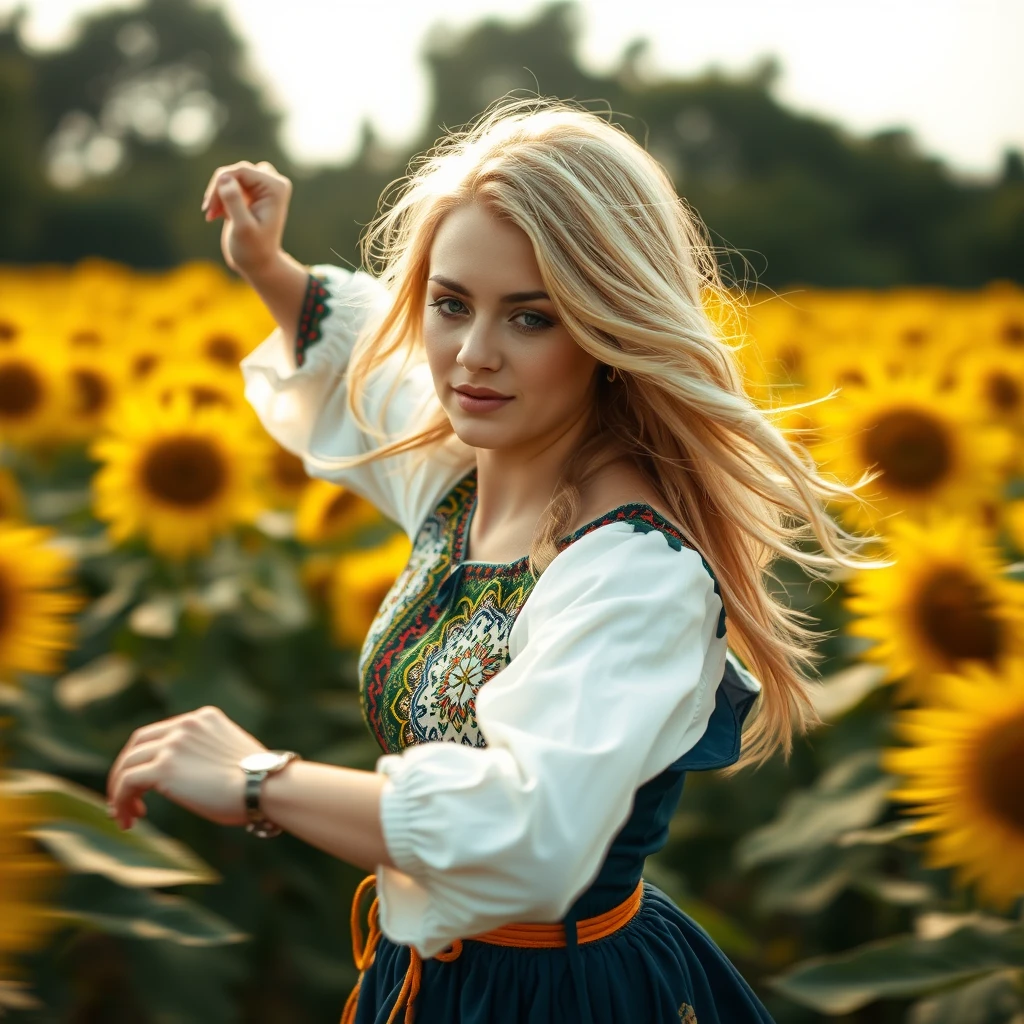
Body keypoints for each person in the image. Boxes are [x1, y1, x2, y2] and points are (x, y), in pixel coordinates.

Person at [106, 96, 885, 1023]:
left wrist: (258, 781)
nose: (472, 357)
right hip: (433, 975)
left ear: (610, 326)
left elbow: (529, 833)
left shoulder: (635, 567)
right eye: (450, 305)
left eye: (531, 318)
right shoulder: (465, 472)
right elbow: (366, 365)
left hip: (562, 993)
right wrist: (265, 266)